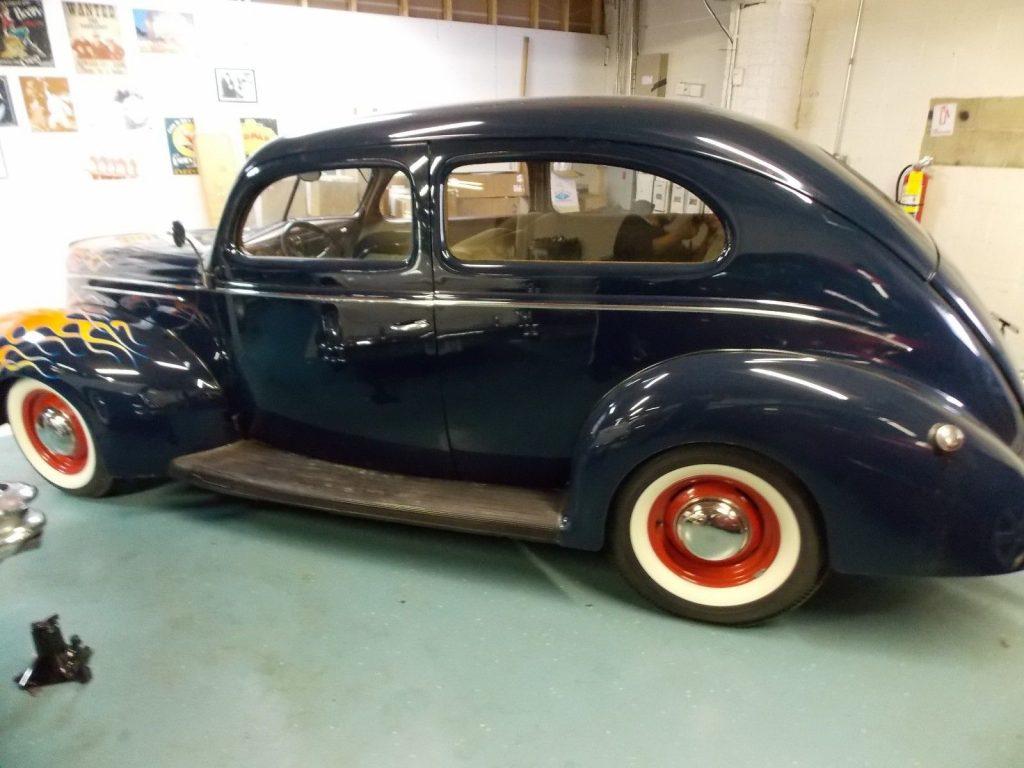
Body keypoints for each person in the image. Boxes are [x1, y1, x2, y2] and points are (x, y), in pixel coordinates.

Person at [613, 199, 718, 262]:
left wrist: (709, 236)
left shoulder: (664, 233)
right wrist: (678, 235)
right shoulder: (633, 222)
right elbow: (642, 250)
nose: (675, 213)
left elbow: (692, 262)